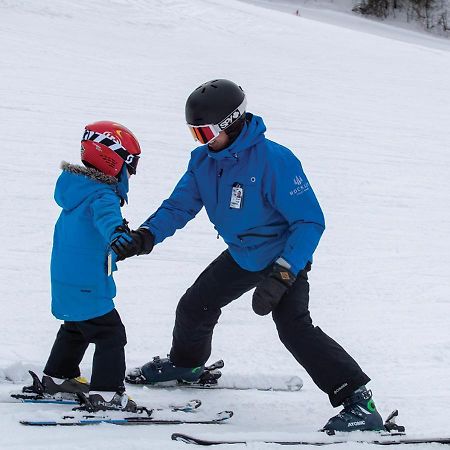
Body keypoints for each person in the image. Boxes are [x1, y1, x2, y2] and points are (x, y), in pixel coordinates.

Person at [113, 79, 384, 432]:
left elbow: (309, 221)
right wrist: (145, 236)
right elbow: (179, 207)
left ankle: (359, 402)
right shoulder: (203, 163)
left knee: (293, 327)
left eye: (206, 132)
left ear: (232, 122)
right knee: (195, 306)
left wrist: (285, 273)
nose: (202, 141)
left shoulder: (275, 160)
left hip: (284, 257)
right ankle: (186, 364)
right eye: (195, 134)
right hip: (243, 254)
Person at [23, 121, 143, 412]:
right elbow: (107, 220)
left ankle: (58, 377)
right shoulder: (102, 195)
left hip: (66, 278)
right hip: (88, 281)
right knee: (110, 334)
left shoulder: (77, 190)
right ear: (112, 160)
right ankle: (106, 393)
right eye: (130, 164)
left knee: (76, 327)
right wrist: (119, 235)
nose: (131, 171)